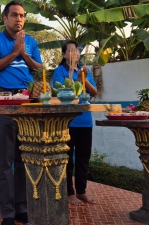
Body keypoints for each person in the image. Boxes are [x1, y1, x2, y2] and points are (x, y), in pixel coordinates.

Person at [0, 0, 42, 225]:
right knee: (4, 160)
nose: (19, 19)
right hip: (3, 101)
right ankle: (7, 213)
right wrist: (13, 53)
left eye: (22, 15)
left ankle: (21, 207)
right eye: (14, 15)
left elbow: (39, 68)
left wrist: (24, 53)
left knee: (24, 159)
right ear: (5, 18)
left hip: (27, 103)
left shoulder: (32, 42)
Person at [52, 40, 98, 206]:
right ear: (64, 54)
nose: (74, 53)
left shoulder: (85, 71)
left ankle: (81, 191)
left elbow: (94, 92)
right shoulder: (60, 71)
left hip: (86, 121)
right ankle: (68, 192)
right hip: (68, 122)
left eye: (76, 51)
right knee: (67, 160)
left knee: (83, 159)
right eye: (70, 51)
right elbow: (60, 94)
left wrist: (83, 79)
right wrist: (76, 80)